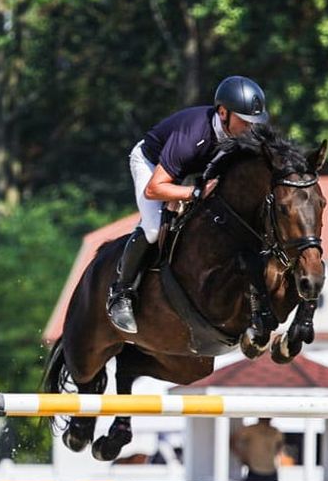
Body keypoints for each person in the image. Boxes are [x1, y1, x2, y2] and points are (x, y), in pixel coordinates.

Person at [106, 75, 270, 334]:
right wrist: (192, 193)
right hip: (152, 165)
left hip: (190, 170)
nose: (251, 128)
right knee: (151, 229)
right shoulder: (194, 134)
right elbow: (154, 189)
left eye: (254, 122)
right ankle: (120, 293)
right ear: (223, 112)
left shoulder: (237, 135)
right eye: (245, 121)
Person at [231, 417, 284, 481]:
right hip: (255, 470)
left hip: (271, 471)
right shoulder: (250, 430)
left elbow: (280, 445)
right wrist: (242, 456)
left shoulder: (275, 431)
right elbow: (233, 440)